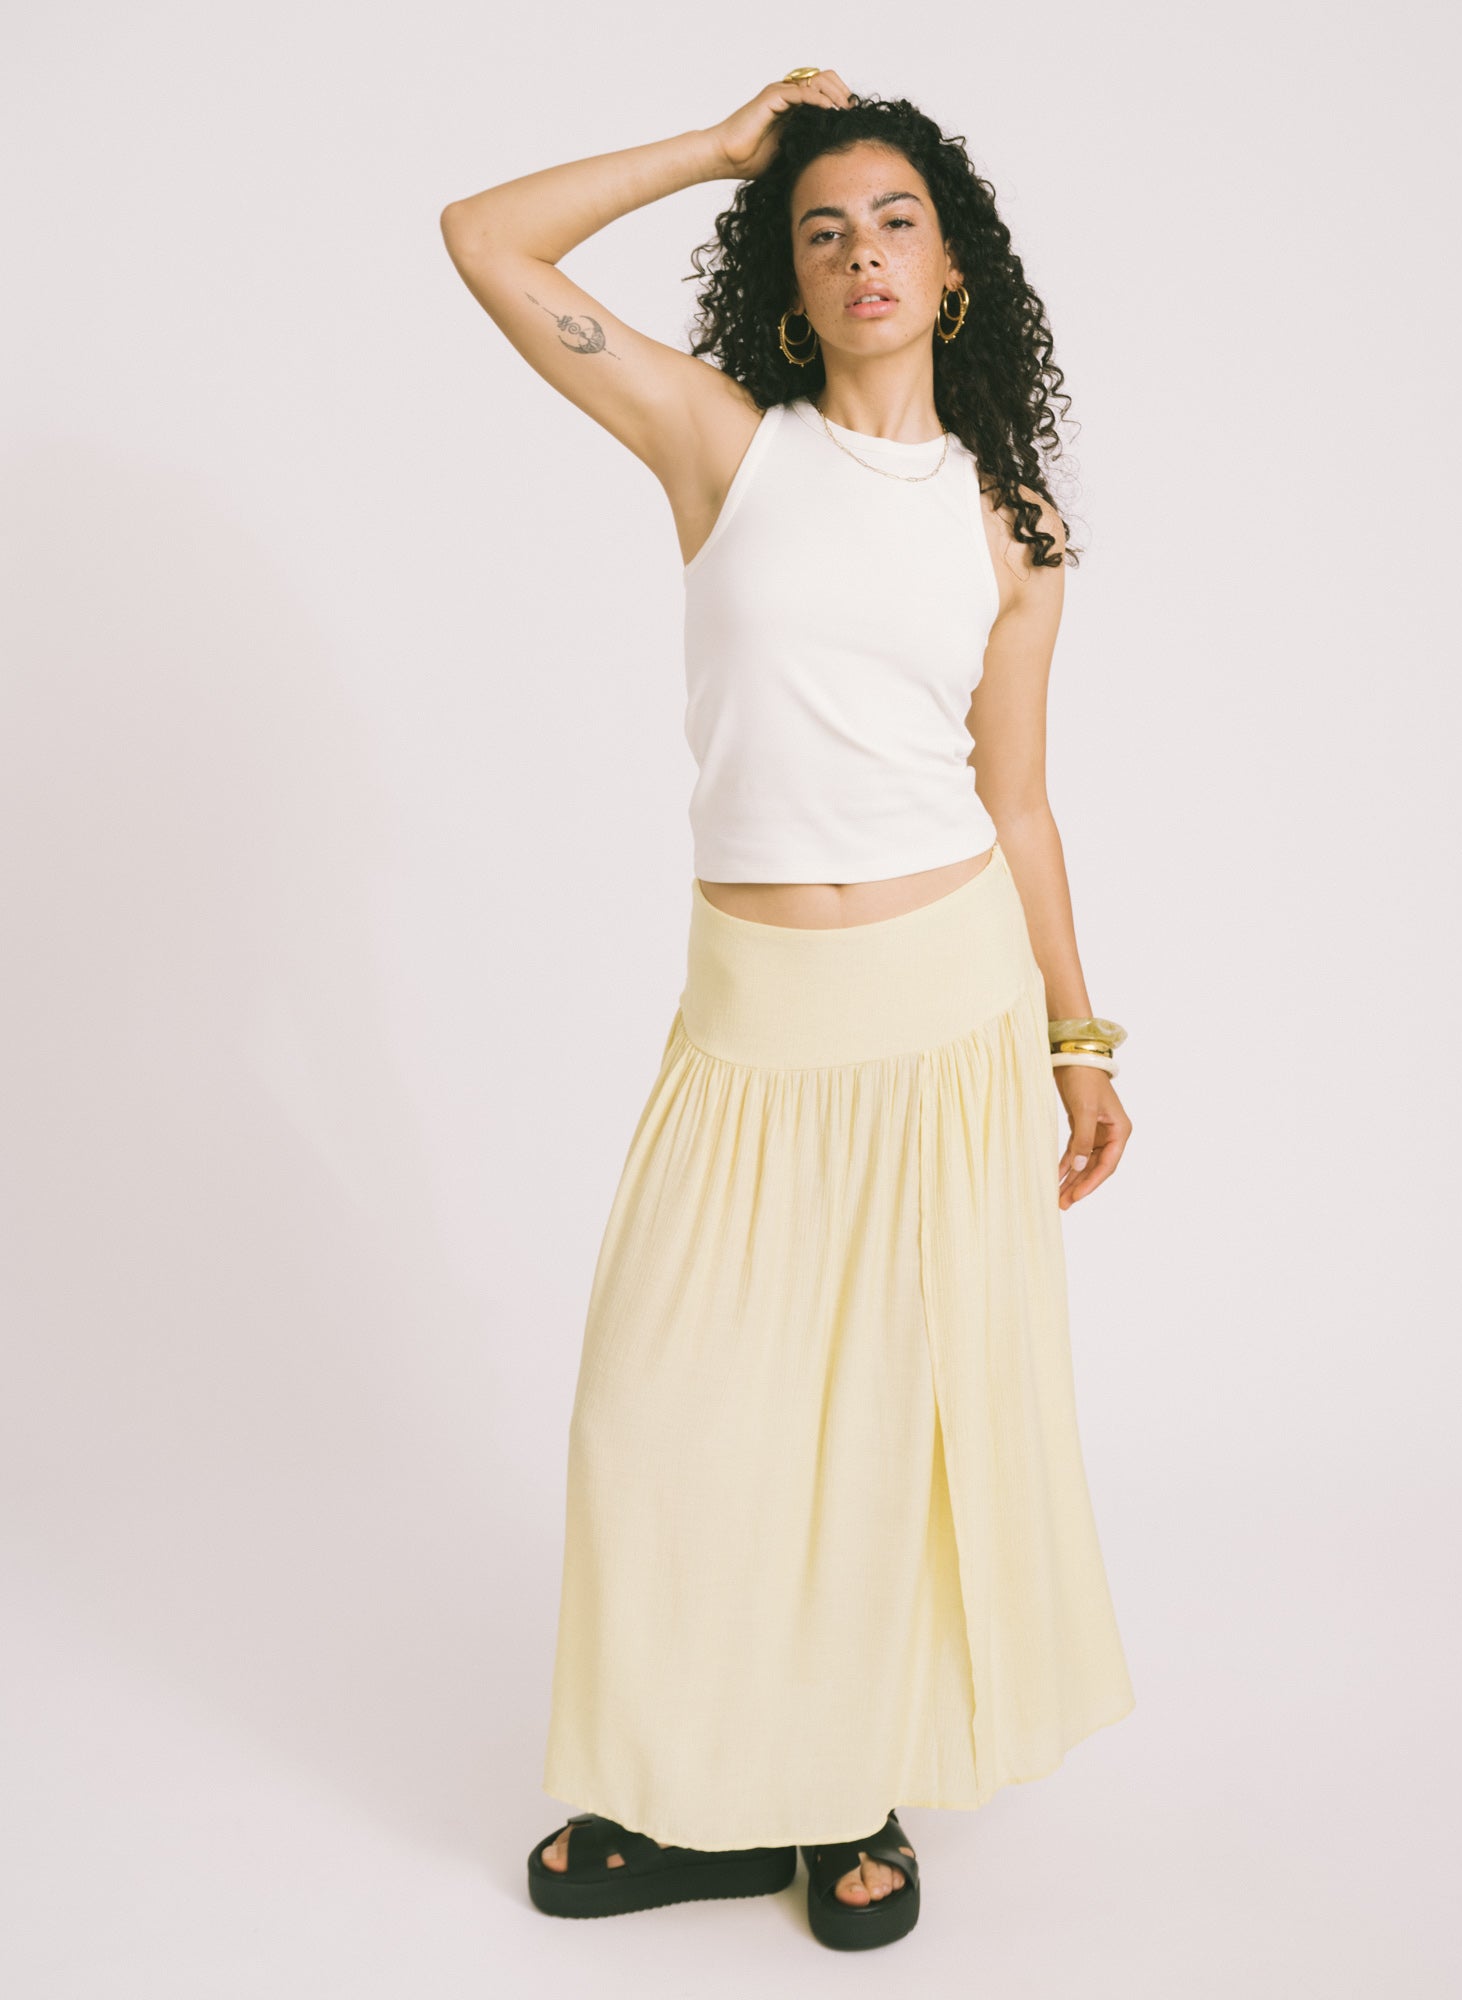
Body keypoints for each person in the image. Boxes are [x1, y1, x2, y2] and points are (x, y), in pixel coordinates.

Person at [440, 70, 1136, 1951]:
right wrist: (715, 148)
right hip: (752, 1020)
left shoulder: (1011, 526)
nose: (863, 251)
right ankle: (688, 1787)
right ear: (790, 280)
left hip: (941, 1014)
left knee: (882, 1433)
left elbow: (1018, 804)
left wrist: (1078, 1038)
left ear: (956, 269)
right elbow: (485, 242)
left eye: (897, 219)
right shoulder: (722, 447)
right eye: (823, 230)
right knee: (662, 1417)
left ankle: (845, 1800)